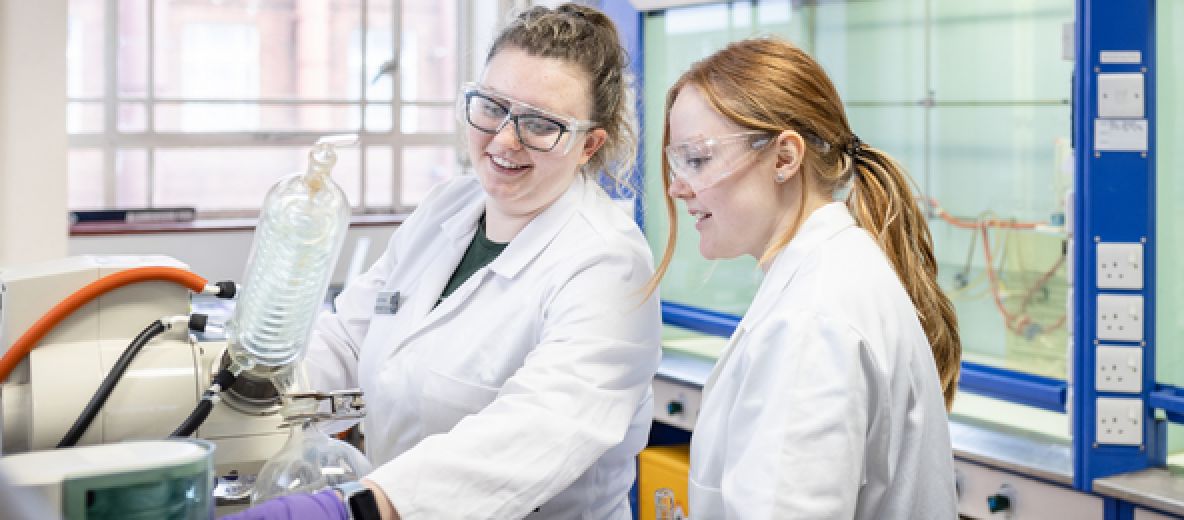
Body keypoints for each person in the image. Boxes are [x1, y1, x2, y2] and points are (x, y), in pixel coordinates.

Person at [228, 4, 659, 519]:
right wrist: (244, 399)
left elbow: (538, 429)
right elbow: (345, 338)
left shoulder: (609, 263)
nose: (503, 140)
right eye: (492, 107)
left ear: (588, 145)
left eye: (541, 125)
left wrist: (359, 508)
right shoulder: (447, 208)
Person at [650, 37, 961, 518]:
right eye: (678, 161)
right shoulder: (831, 275)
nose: (676, 186)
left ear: (784, 158)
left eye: (697, 158)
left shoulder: (811, 321)